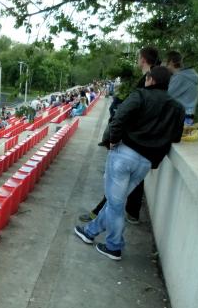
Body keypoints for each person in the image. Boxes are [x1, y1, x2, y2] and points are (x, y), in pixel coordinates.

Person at [75, 66, 185, 261]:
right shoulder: (177, 107)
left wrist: (113, 141)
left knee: (116, 205)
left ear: (150, 79)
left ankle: (114, 247)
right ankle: (89, 232)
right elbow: (175, 137)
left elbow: (117, 120)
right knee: (114, 202)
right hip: (145, 162)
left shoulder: (140, 95)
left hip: (124, 155)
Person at [165, 51, 198, 126]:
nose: (164, 64)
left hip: (180, 116)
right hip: (189, 116)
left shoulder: (180, 77)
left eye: (165, 61)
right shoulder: (190, 75)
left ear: (171, 62)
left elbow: (165, 96)